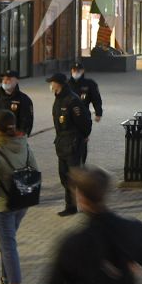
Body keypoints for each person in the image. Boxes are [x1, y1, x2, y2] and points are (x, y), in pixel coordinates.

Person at [0, 111, 38, 284]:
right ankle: (6, 279)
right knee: (7, 241)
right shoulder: (23, 143)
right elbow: (35, 168)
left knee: (8, 245)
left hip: (2, 205)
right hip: (22, 200)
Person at [48, 73, 92, 215]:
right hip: (62, 143)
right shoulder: (59, 99)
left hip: (73, 143)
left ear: (58, 84)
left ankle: (85, 203)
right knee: (64, 176)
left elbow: (84, 121)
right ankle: (71, 206)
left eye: (52, 82)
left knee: (75, 176)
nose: (50, 85)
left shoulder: (72, 100)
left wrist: (84, 136)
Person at [0, 69, 34, 143]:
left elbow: (26, 123)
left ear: (16, 80)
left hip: (13, 141)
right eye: (3, 79)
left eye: (8, 79)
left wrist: (19, 139)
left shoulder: (24, 100)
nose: (5, 81)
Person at [69, 61, 105, 146]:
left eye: (78, 70)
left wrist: (98, 113)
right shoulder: (67, 84)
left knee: (82, 138)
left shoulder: (89, 84)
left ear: (83, 71)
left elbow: (96, 99)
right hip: (69, 115)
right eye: (74, 70)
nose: (76, 72)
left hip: (83, 114)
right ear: (71, 71)